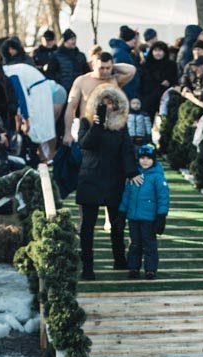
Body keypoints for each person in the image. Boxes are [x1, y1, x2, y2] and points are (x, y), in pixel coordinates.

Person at [76, 84, 137, 280]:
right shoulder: (86, 121)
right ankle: (87, 267)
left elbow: (127, 150)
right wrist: (97, 124)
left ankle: (120, 260)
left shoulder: (121, 125)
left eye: (111, 103)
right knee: (87, 227)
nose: (107, 107)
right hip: (90, 179)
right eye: (103, 103)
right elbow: (85, 144)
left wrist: (132, 172)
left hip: (114, 179)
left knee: (118, 224)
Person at [62, 51, 136, 145]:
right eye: (101, 68)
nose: (105, 71)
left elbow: (131, 70)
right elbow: (71, 107)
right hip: (88, 128)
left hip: (110, 128)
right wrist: (68, 132)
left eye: (108, 68)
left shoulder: (114, 80)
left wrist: (113, 66)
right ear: (94, 66)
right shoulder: (82, 81)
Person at [118, 143, 169, 279]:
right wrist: (122, 212)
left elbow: (163, 197)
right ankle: (134, 267)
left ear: (154, 160)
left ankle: (150, 269)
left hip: (149, 218)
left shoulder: (157, 177)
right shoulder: (134, 175)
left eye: (148, 158)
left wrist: (161, 215)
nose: (145, 161)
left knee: (149, 244)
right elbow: (127, 195)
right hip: (134, 217)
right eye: (142, 158)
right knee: (135, 244)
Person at [139, 41, 176, 119]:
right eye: (155, 50)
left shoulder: (171, 65)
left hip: (165, 99)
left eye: (160, 50)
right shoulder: (146, 65)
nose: (157, 53)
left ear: (165, 52)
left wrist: (169, 81)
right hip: (149, 99)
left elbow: (174, 79)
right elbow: (143, 81)